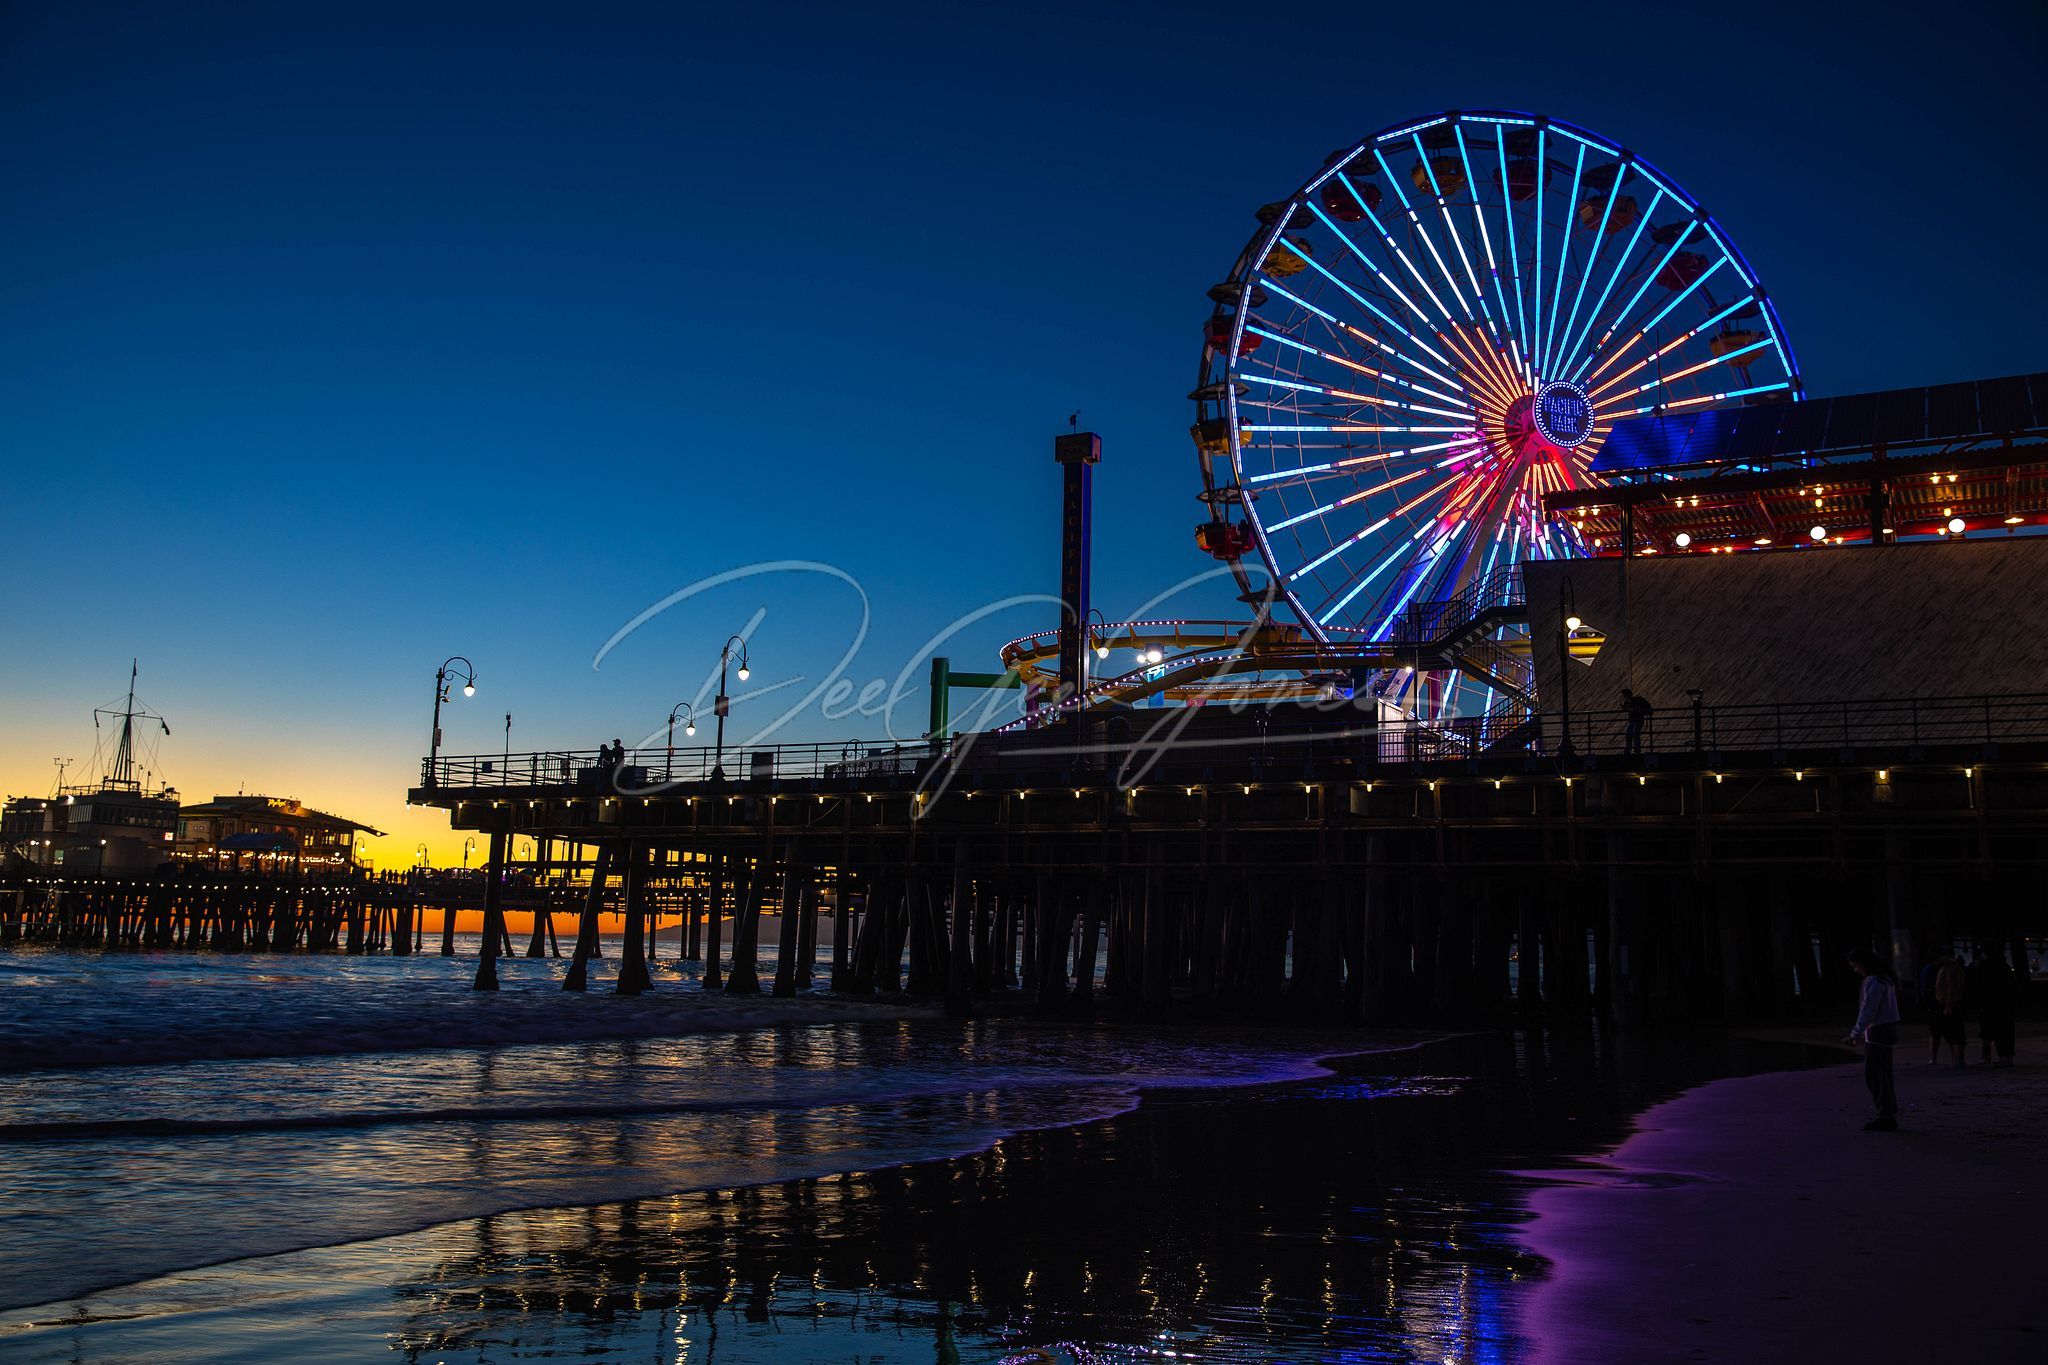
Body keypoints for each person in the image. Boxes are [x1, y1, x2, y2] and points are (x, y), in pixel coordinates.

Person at [1846, 947, 1902, 1131]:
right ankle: (1887, 1111)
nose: (1855, 970)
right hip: (1887, 1029)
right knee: (1882, 1073)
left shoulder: (1873, 981)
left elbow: (1868, 1010)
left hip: (1878, 1031)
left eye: (1855, 966)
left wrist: (1855, 1033)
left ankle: (1885, 1114)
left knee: (1876, 1075)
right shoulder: (1885, 979)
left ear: (1863, 964)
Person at [1975, 948, 2017, 1067]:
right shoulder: (2005, 966)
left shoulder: (1986, 967)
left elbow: (1981, 986)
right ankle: (2008, 1057)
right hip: (2006, 1004)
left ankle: (2000, 1057)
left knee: (1997, 1032)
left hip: (1992, 1004)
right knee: (2007, 1031)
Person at [1935, 950, 1968, 1066]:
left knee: (1953, 1032)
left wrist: (1948, 1005)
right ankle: (1959, 1059)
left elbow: (1951, 988)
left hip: (1951, 1004)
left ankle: (1957, 1059)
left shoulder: (1950, 968)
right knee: (1957, 1032)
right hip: (1954, 1003)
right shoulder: (1955, 968)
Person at [1918, 953, 1946, 1064]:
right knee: (1936, 1032)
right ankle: (1934, 1058)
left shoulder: (1930, 969)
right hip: (1935, 1003)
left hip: (1935, 1003)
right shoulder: (1932, 970)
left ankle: (1934, 1058)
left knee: (1936, 1032)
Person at [1621, 688, 1653, 755]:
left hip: (1638, 720)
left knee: (1634, 733)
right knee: (1630, 734)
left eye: (1625, 696)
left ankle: (1635, 749)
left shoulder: (1636, 701)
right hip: (1634, 720)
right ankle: (1632, 749)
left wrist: (1628, 709)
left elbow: (1637, 710)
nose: (1624, 697)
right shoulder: (1627, 702)